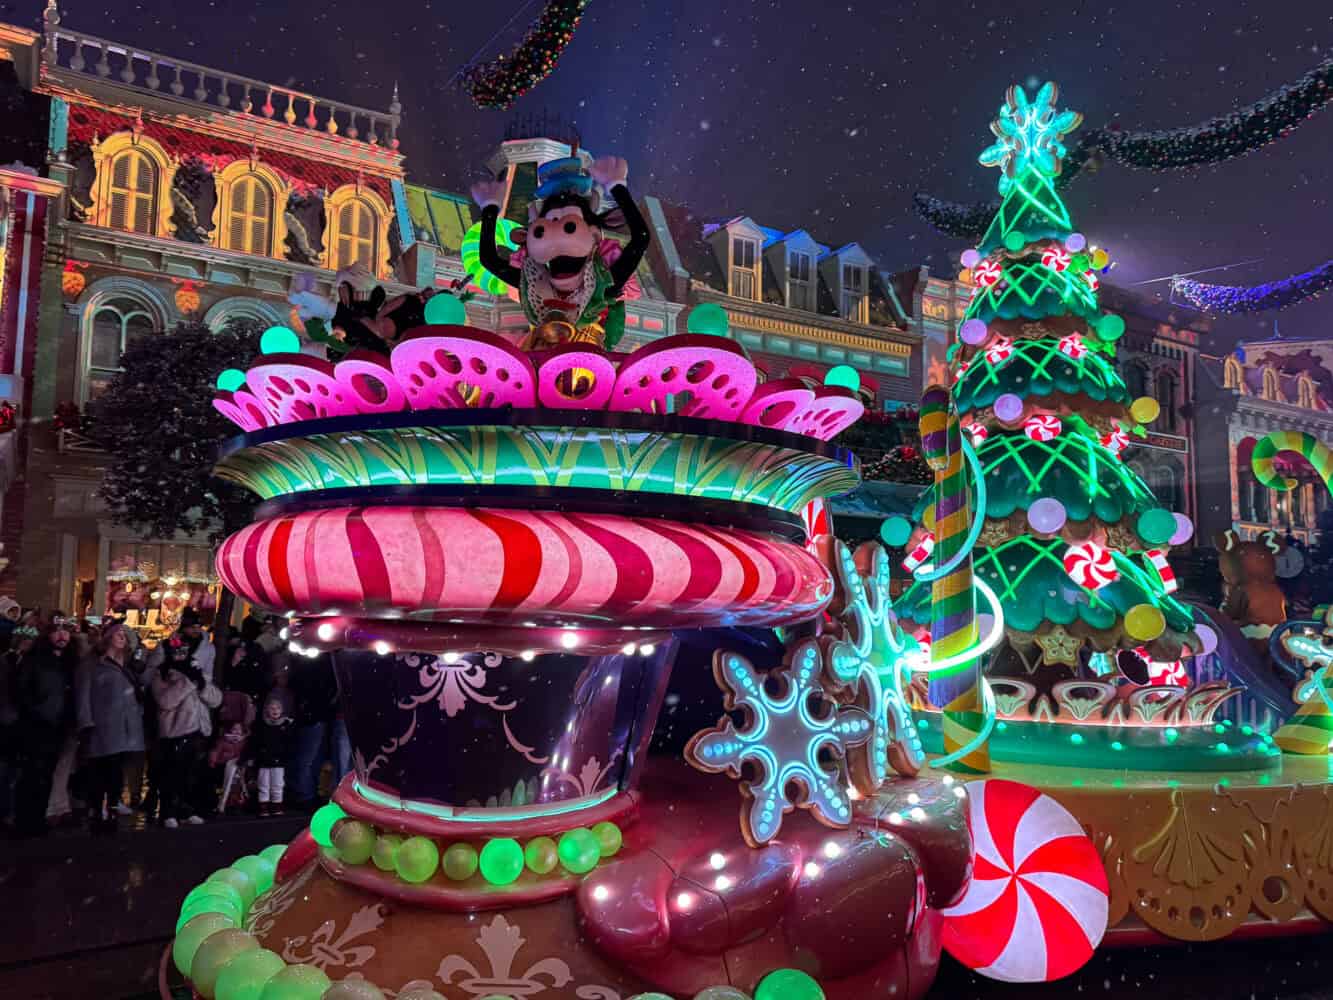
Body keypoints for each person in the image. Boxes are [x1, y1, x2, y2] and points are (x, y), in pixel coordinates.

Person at [74, 622, 145, 833]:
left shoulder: (130, 665)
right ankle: (96, 809)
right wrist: (85, 722)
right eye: (118, 634)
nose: (122, 637)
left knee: (117, 770)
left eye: (125, 634)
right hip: (103, 724)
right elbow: (83, 694)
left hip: (127, 726)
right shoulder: (92, 664)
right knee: (100, 769)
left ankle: (112, 806)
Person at [13, 618, 77, 835]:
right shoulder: (35, 660)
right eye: (57, 631)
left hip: (58, 726)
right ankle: (24, 820)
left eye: (66, 631)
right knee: (32, 773)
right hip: (36, 725)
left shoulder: (69, 661)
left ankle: (38, 818)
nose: (62, 636)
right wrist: (37, 714)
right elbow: (22, 692)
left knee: (47, 773)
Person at [150, 635, 220, 828]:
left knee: (194, 773)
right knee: (172, 774)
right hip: (175, 731)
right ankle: (168, 812)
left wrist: (202, 684)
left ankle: (188, 809)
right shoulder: (162, 674)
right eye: (176, 652)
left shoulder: (198, 671)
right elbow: (165, 701)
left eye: (184, 651)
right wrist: (188, 683)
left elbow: (216, 699)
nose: (181, 655)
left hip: (198, 729)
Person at [287, 650, 338, 809]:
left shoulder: (308, 660)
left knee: (311, 755)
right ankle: (305, 794)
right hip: (315, 712)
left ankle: (307, 792)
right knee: (309, 756)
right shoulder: (319, 661)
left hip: (314, 712)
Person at [253, 688, 294, 816]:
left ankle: (277, 806)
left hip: (279, 761)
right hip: (264, 761)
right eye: (272, 708)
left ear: (282, 711)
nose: (275, 711)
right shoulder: (261, 725)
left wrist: (288, 726)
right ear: (267, 710)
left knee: (277, 784)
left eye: (277, 708)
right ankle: (263, 807)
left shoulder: (285, 726)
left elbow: (288, 743)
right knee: (263, 784)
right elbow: (256, 742)